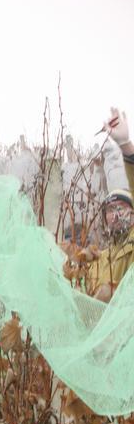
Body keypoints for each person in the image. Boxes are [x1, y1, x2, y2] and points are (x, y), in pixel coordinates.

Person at [88, 107, 134, 300]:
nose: (115, 214)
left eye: (122, 207)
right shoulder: (96, 262)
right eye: (110, 209)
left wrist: (126, 147)